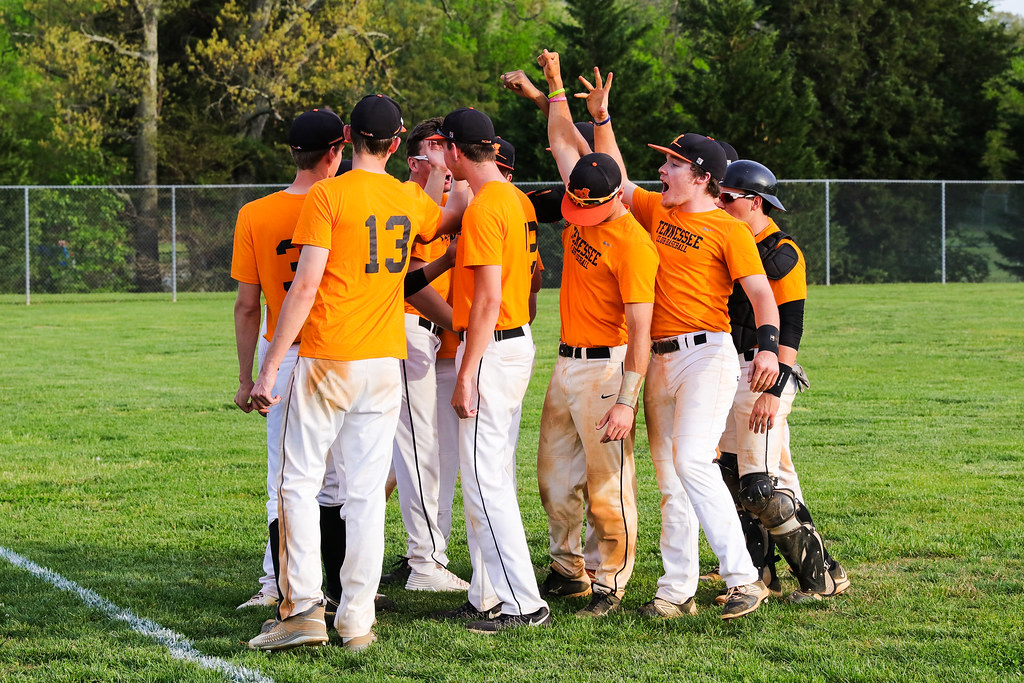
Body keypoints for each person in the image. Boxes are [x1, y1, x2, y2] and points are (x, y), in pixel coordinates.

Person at [246, 94, 464, 652]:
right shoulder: (407, 197)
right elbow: (444, 220)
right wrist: (443, 170)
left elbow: (305, 286)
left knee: (297, 484)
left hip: (327, 356)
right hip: (383, 360)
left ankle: (303, 610)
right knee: (364, 494)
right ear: (396, 143)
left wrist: (269, 366)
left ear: (349, 136)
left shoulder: (328, 194)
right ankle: (356, 620)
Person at [578, 64, 783, 620]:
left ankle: (743, 578)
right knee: (672, 481)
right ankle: (675, 591)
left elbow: (762, 296)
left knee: (692, 459)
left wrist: (768, 347)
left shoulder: (729, 228)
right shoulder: (655, 208)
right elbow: (619, 179)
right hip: (659, 361)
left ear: (700, 176)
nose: (662, 170)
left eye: (672, 163)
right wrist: (602, 118)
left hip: (707, 355)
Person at [525, 51, 659, 617]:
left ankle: (611, 579)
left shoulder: (633, 245)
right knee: (554, 477)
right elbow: (563, 139)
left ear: (615, 196)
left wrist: (627, 399)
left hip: (608, 366)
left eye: (588, 205)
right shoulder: (586, 190)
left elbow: (641, 330)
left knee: (609, 482)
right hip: (566, 361)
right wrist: (554, 85)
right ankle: (568, 569)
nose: (576, 210)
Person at [427, 107, 551, 633]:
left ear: (456, 151)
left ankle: (524, 603)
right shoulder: (512, 198)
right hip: (512, 341)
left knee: (483, 482)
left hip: (492, 348)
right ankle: (486, 595)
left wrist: (465, 372)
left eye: (444, 147)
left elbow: (486, 300)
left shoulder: (484, 208)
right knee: (492, 474)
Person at [715, 159, 850, 603]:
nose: (719, 202)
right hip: (730, 369)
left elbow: (791, 326)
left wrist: (774, 392)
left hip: (765, 374)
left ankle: (821, 578)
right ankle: (763, 574)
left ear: (755, 202)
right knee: (738, 475)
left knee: (760, 486)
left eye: (727, 197)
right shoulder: (729, 239)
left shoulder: (781, 250)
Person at [231, 108, 348, 614]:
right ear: (335, 152)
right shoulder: (343, 203)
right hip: (338, 349)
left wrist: (247, 377)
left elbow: (247, 305)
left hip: (282, 351)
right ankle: (341, 588)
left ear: (293, 152)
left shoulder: (255, 213)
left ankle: (284, 586)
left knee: (285, 478)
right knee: (338, 480)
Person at [382, 117, 470, 593]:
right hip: (407, 329)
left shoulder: (445, 203)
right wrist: (463, 323)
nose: (444, 162)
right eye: (433, 151)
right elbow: (412, 284)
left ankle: (334, 552)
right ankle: (426, 561)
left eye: (446, 150)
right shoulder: (405, 201)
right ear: (413, 160)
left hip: (422, 337)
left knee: (387, 455)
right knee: (418, 449)